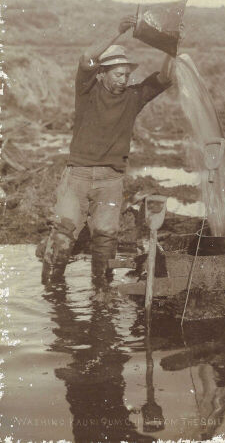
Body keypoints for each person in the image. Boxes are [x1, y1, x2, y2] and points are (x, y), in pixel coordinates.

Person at [41, 16, 174, 283]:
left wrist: (172, 48)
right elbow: (86, 57)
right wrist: (118, 30)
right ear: (102, 73)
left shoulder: (134, 97)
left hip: (110, 180)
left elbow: (166, 77)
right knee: (63, 235)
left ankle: (100, 293)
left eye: (127, 74)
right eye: (118, 74)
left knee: (105, 237)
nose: (124, 79)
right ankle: (51, 292)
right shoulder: (87, 91)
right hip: (77, 177)